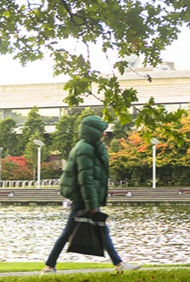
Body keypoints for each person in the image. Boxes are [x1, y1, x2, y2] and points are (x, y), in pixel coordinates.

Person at [44, 116, 138, 274]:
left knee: (93, 231)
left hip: (84, 197)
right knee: (74, 232)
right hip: (83, 198)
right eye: (102, 131)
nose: (105, 133)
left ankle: (119, 263)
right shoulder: (85, 149)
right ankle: (49, 266)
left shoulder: (91, 147)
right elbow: (85, 179)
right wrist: (92, 204)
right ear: (93, 132)